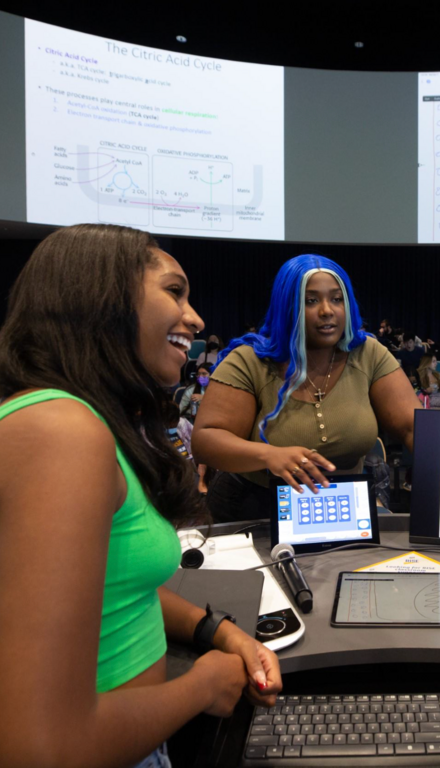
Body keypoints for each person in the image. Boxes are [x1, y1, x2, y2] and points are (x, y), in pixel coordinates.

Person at [0, 224, 281, 768]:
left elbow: (108, 588)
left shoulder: (72, 420)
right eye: (174, 292)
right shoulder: (62, 431)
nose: (196, 318)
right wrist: (201, 687)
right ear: (102, 299)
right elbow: (41, 749)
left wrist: (219, 632)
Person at [192, 254, 422, 522]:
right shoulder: (250, 359)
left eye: (337, 299)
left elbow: (413, 428)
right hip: (254, 508)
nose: (327, 310)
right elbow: (206, 440)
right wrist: (269, 455)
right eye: (311, 300)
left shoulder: (368, 353)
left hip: (344, 508)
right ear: (286, 306)